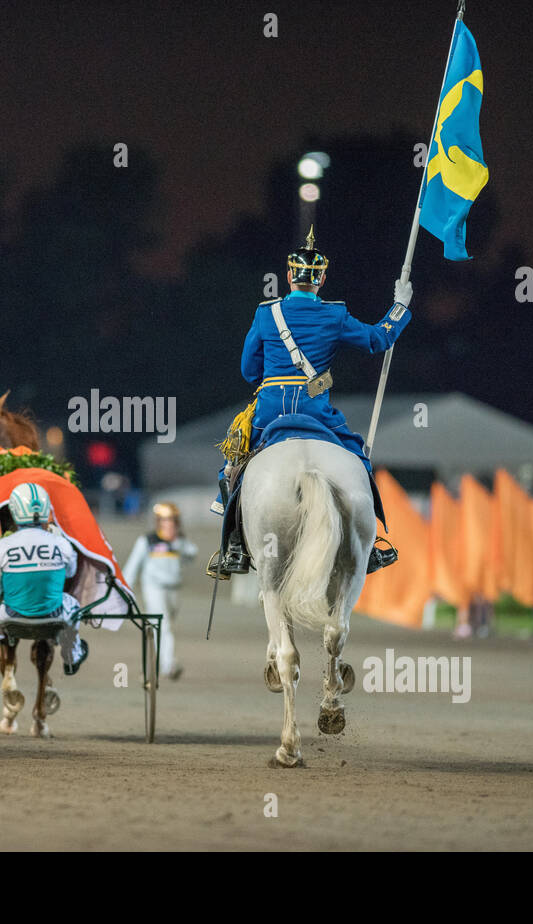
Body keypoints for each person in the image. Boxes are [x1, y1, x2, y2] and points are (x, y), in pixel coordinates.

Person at [208, 227, 413, 578]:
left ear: (289, 277)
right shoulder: (335, 315)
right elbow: (378, 340)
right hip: (315, 408)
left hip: (269, 408)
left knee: (233, 465)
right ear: (321, 279)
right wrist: (400, 306)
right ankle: (372, 543)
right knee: (357, 456)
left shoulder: (265, 313)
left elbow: (247, 370)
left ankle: (234, 548)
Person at [0, 482, 89, 676]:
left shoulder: (1, 546)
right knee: (73, 604)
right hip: (53, 616)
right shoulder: (60, 543)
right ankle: (72, 655)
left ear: (14, 510)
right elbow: (71, 573)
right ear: (45, 509)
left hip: (10, 617)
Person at [123, 502, 197, 679]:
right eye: (166, 520)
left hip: (174, 590)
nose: (169, 524)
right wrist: (125, 592)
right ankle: (168, 664)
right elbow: (132, 568)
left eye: (172, 520)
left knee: (162, 628)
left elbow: (192, 554)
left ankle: (151, 664)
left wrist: (177, 542)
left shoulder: (180, 542)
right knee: (164, 626)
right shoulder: (147, 541)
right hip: (154, 588)